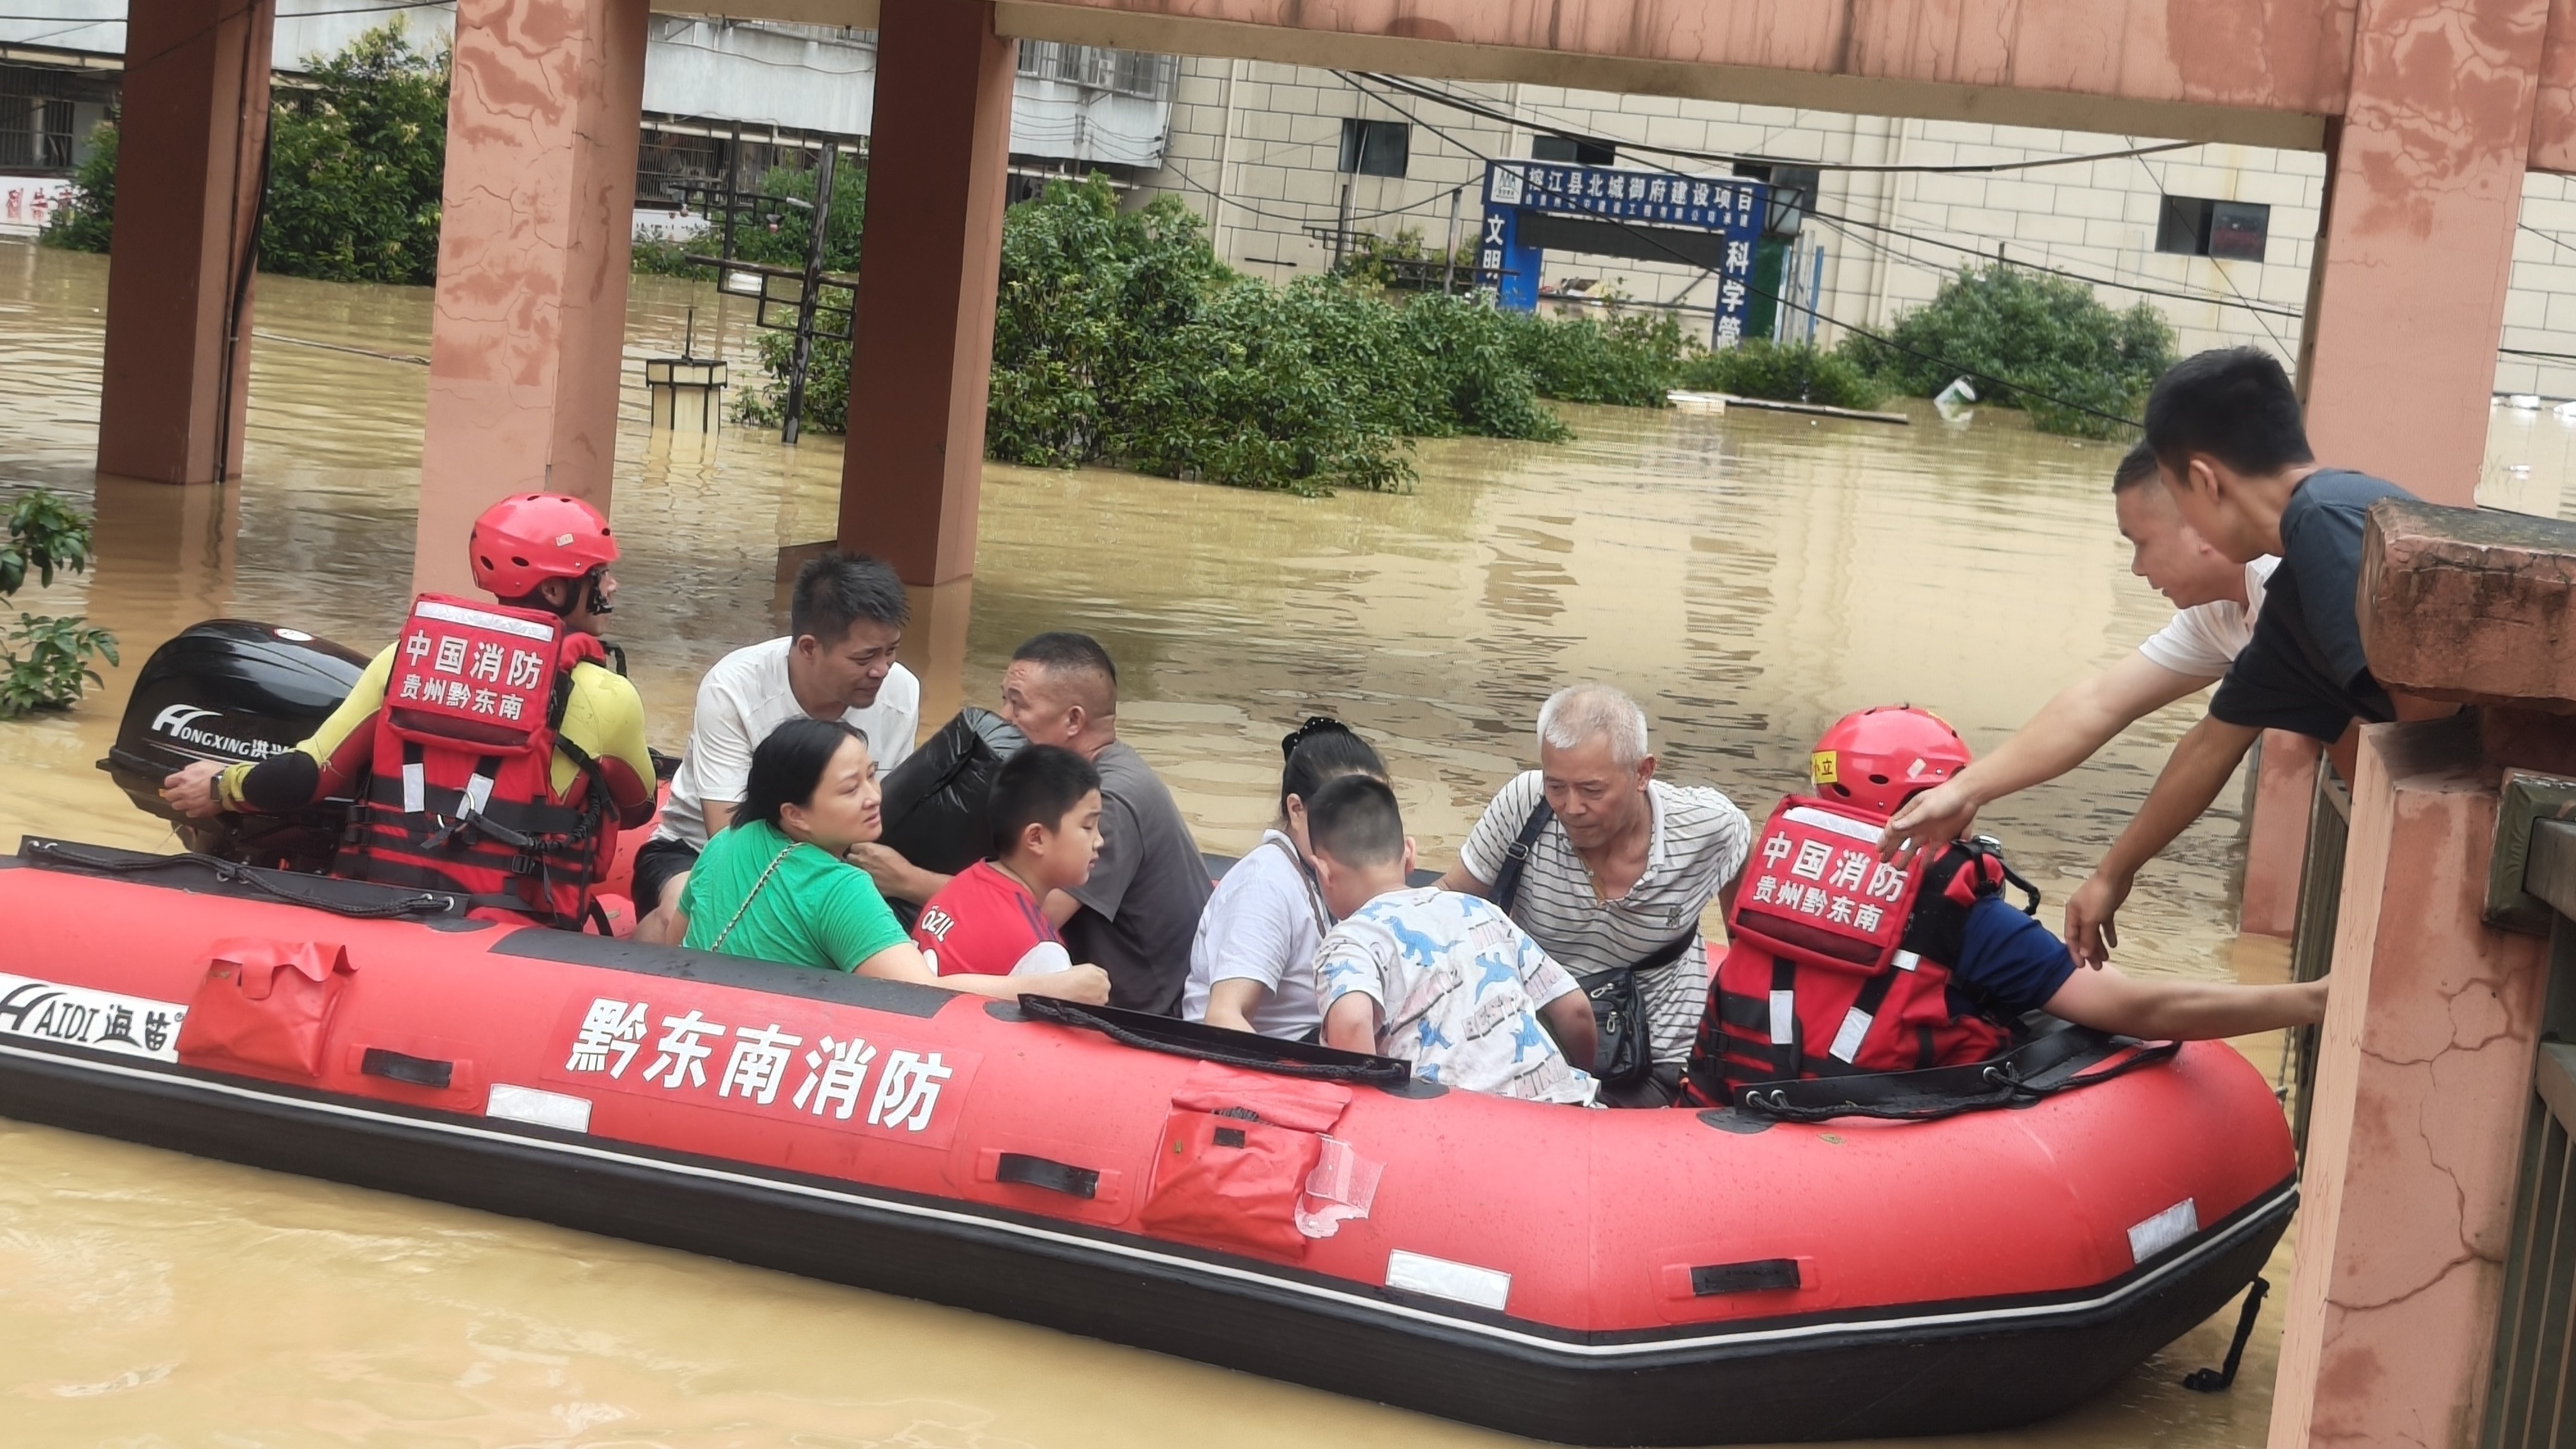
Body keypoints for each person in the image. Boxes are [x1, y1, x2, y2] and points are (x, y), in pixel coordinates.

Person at [1681, 706, 2328, 1108]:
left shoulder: (1781, 867)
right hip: (1867, 1131)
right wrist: (2310, 1000)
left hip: (1735, 1102)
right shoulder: (1966, 913)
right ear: (1928, 800)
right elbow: (2139, 1009)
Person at [2055, 347, 2456, 966]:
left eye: (2175, 497)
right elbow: (2212, 743)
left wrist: (2426, 899)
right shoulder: (2300, 576)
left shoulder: (2326, 521)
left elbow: (2426, 724)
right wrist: (2113, 873)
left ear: (2205, 481)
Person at [159, 494, 657, 926]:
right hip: (514, 927)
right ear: (554, 590)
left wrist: (222, 787)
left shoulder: (406, 658)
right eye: (600, 575)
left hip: (385, 903)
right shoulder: (606, 696)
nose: (611, 588)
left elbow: (311, 773)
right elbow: (638, 808)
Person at [1881, 441, 2278, 872]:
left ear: (2200, 526)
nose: (2137, 568)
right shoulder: (2215, 613)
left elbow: (2212, 744)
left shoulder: (2276, 582)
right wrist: (1966, 790)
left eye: (2142, 543)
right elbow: (2099, 703)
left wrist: (2114, 872)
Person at [857, 633, 1211, 1016]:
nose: (1004, 717)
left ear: (1073, 720)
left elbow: (1038, 912)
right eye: (1005, 699)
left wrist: (907, 880)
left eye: (1018, 705)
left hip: (1151, 1014)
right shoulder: (1062, 784)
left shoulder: (1106, 801)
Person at [1435, 684, 1750, 1107]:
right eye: (1557, 786)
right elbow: (1449, 898)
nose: (1571, 807)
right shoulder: (1525, 803)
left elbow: (1747, 953)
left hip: (1653, 1058)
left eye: (1592, 790)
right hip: (1535, 1045)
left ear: (1643, 773)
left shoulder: (1711, 829)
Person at [670, 717, 1108, 1006]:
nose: (874, 796)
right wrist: (1050, 989)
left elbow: (675, 945)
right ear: (795, 814)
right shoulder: (842, 889)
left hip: (695, 1022)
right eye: (849, 790)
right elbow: (919, 994)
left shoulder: (729, 839)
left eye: (872, 774)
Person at [633, 552, 922, 945]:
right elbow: (729, 834)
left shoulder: (902, 691)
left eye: (890, 651)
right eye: (864, 658)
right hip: (698, 853)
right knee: (685, 911)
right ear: (808, 647)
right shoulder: (732, 687)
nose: (882, 670)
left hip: (831, 861)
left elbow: (874, 814)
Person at [1307, 775, 1599, 1104]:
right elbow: (1575, 1011)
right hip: (1563, 1107)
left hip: (1455, 1125)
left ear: (1323, 872)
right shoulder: (1478, 908)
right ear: (1410, 854)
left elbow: (1353, 1020)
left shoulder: (1348, 941)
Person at [1183, 718, 1388, 1040]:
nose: (1363, 830)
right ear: (1296, 809)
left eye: (1374, 813)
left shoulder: (1336, 875)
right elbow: (1223, 1016)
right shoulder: (1265, 884)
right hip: (1265, 1060)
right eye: (1345, 815)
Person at [911, 745, 1102, 978]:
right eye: (1088, 826)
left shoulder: (961, 885)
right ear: (1036, 838)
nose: (1099, 841)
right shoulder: (1041, 953)